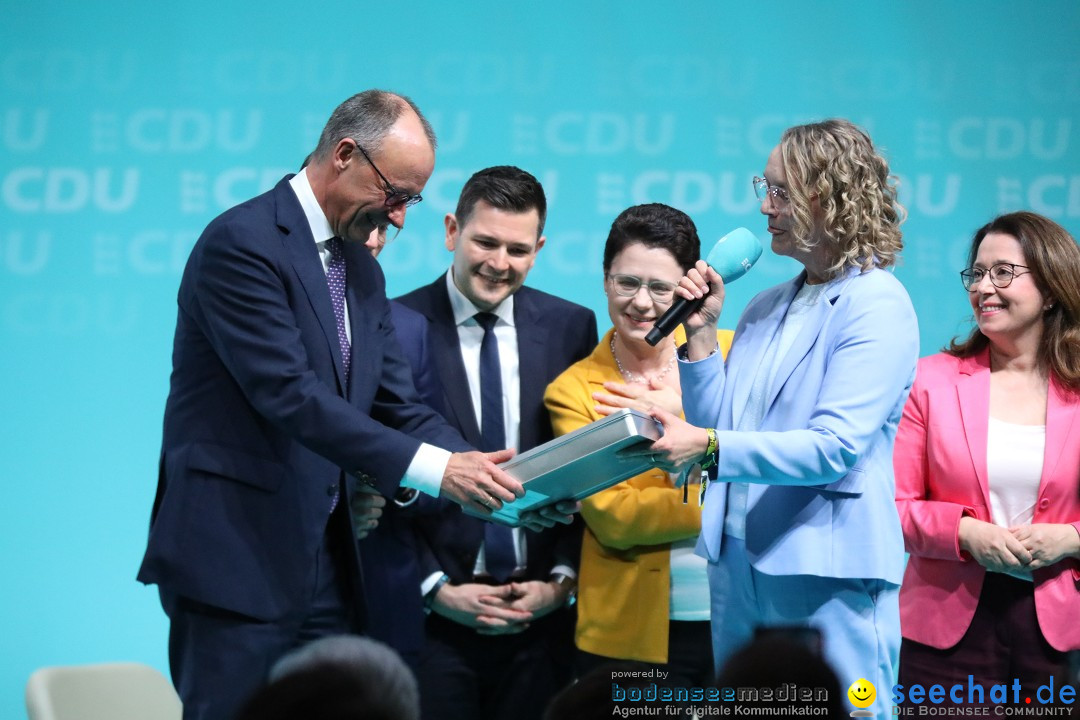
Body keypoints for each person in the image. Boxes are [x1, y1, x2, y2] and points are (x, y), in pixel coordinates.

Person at [136, 91, 566, 720]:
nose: (400, 218)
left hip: (329, 567)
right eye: (395, 194)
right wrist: (440, 470)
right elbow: (290, 394)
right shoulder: (243, 242)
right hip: (236, 561)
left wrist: (503, 482)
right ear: (344, 154)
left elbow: (398, 404)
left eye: (412, 201)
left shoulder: (360, 269)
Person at [641, 119, 918, 718]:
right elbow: (719, 424)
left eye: (781, 192)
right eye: (764, 188)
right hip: (736, 561)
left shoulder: (877, 303)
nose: (765, 207)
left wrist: (710, 446)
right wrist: (701, 335)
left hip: (824, 566)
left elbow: (833, 448)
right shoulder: (766, 305)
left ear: (832, 196)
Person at [393, 165, 598, 720]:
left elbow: (583, 467)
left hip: (542, 625)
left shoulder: (572, 327)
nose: (499, 263)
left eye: (518, 249)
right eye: (485, 242)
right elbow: (377, 472)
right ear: (451, 231)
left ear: (539, 250)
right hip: (432, 623)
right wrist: (434, 589)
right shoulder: (394, 324)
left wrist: (562, 581)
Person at [544, 204, 733, 687]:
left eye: (661, 288)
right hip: (626, 632)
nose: (642, 303)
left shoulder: (734, 353)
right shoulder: (574, 390)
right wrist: (732, 501)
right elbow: (616, 518)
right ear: (605, 279)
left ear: (690, 289)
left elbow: (779, 465)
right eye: (627, 282)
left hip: (740, 618)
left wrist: (679, 408)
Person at [894, 211, 1080, 703]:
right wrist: (964, 533)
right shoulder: (929, 381)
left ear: (1052, 289)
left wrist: (1071, 538)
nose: (983, 287)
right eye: (976, 273)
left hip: (1063, 632)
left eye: (1003, 272)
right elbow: (892, 506)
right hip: (944, 627)